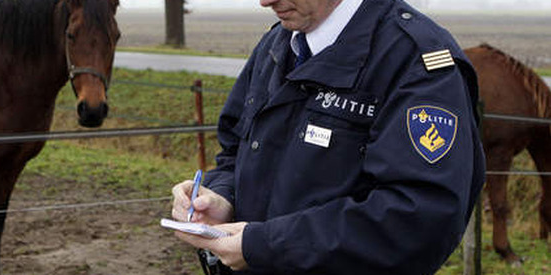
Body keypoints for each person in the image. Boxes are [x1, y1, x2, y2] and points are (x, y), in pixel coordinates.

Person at [171, 0, 485, 274]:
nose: (264, 2)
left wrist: (266, 246)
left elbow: (419, 218)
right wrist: (221, 197)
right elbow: (235, 153)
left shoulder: (415, 62)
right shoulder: (277, 45)